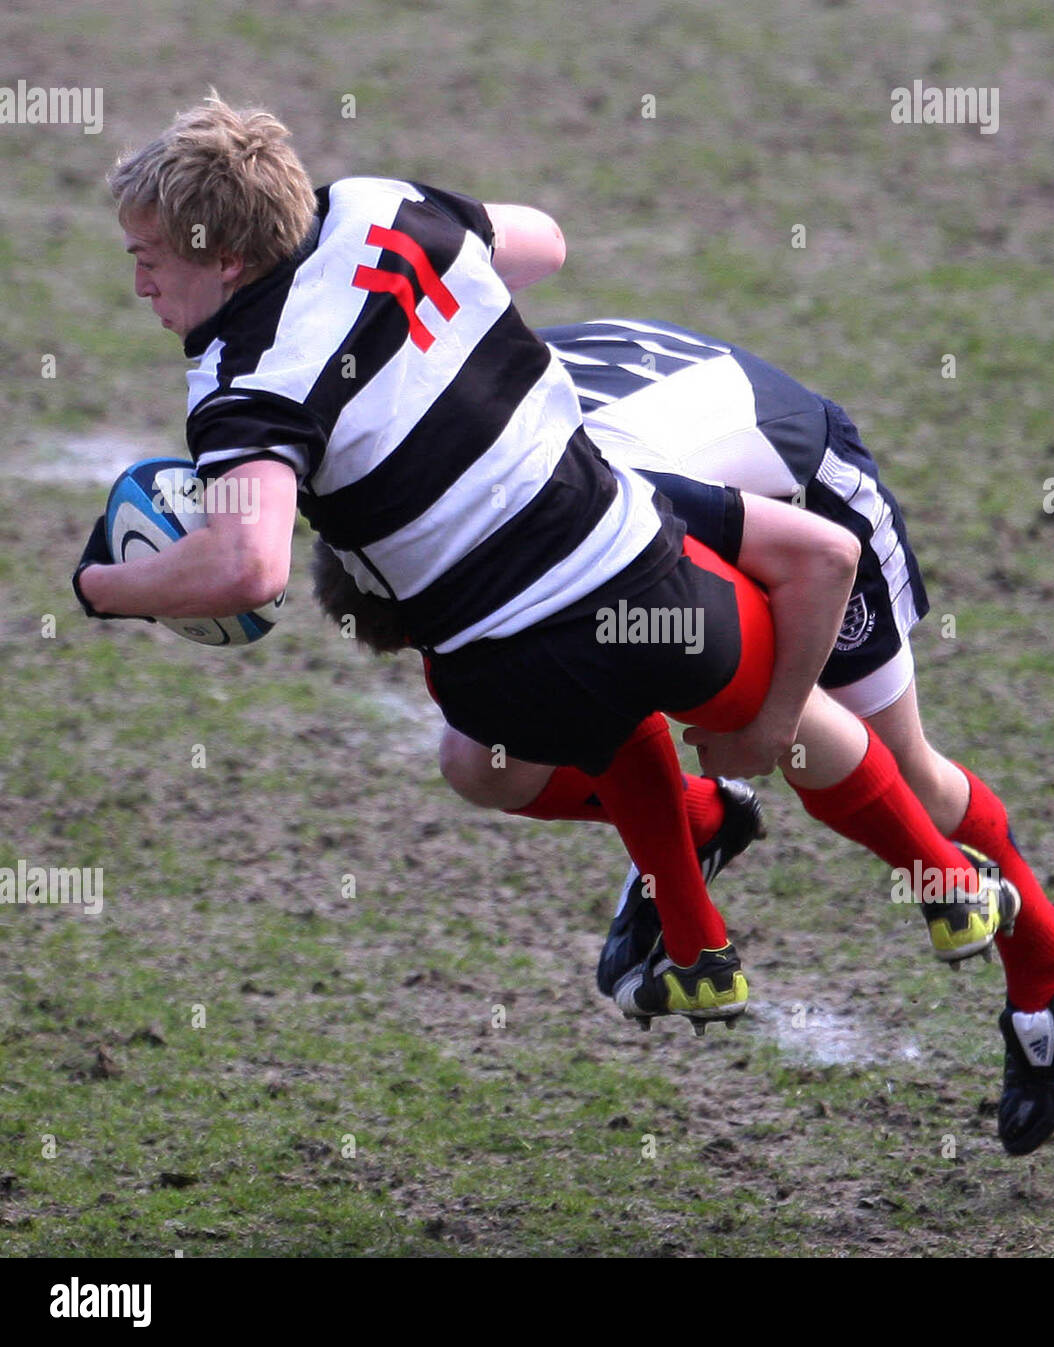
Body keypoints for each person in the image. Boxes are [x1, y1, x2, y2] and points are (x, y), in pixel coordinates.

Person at [70, 95, 981, 1042]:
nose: (139, 284)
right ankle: (951, 887)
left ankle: (721, 934)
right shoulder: (378, 207)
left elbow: (249, 568)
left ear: (223, 255)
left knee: (588, 721)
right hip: (636, 561)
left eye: (148, 258)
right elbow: (542, 244)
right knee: (764, 701)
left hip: (524, 646)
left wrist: (104, 588)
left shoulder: (244, 386)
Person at [422, 317, 1054, 1156]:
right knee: (479, 756)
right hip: (659, 498)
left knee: (893, 774)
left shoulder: (570, 495)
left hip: (799, 493)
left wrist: (771, 723)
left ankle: (1050, 956)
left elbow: (822, 559)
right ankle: (705, 819)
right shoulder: (449, 468)